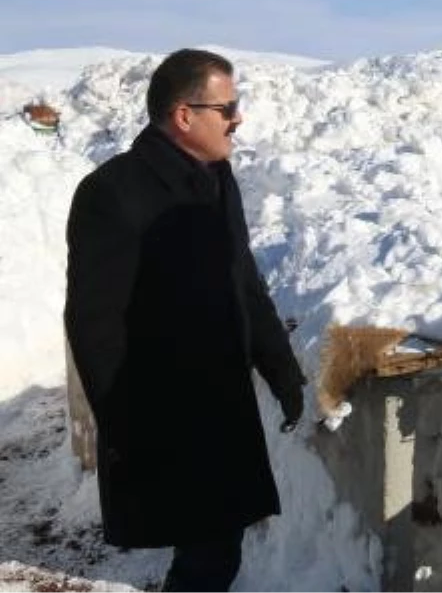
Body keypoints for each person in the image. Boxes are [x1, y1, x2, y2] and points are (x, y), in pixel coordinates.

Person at [64, 48, 306, 592]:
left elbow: (244, 281)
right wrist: (124, 427)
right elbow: (93, 323)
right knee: (207, 558)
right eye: (228, 107)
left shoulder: (219, 179)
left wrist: (282, 372)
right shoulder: (112, 192)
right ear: (183, 115)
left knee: (218, 550)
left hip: (223, 408)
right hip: (164, 416)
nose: (237, 118)